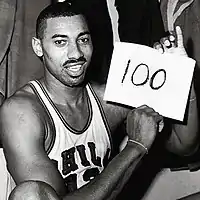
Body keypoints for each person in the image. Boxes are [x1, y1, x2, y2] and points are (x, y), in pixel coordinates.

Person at [0, 2, 198, 200]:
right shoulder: (22, 112)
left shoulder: (108, 99)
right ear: (38, 46)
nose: (76, 53)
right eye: (61, 42)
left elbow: (184, 145)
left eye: (83, 40)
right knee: (28, 194)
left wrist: (181, 78)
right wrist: (135, 147)